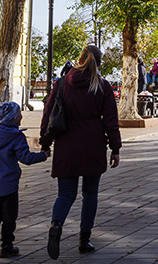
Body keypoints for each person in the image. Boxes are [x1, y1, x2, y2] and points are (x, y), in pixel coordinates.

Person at [39, 45, 121, 259]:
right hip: (93, 145)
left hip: (66, 145)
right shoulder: (102, 87)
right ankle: (84, 239)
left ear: (79, 59)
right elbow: (111, 121)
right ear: (99, 63)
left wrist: (45, 143)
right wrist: (115, 148)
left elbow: (49, 115)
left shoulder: (61, 85)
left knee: (65, 194)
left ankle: (56, 225)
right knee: (90, 194)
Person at [0, 101, 47, 257]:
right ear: (13, 117)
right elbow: (25, 158)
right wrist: (43, 156)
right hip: (7, 184)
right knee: (9, 216)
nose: (21, 116)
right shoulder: (16, 136)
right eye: (19, 113)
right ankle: (7, 247)